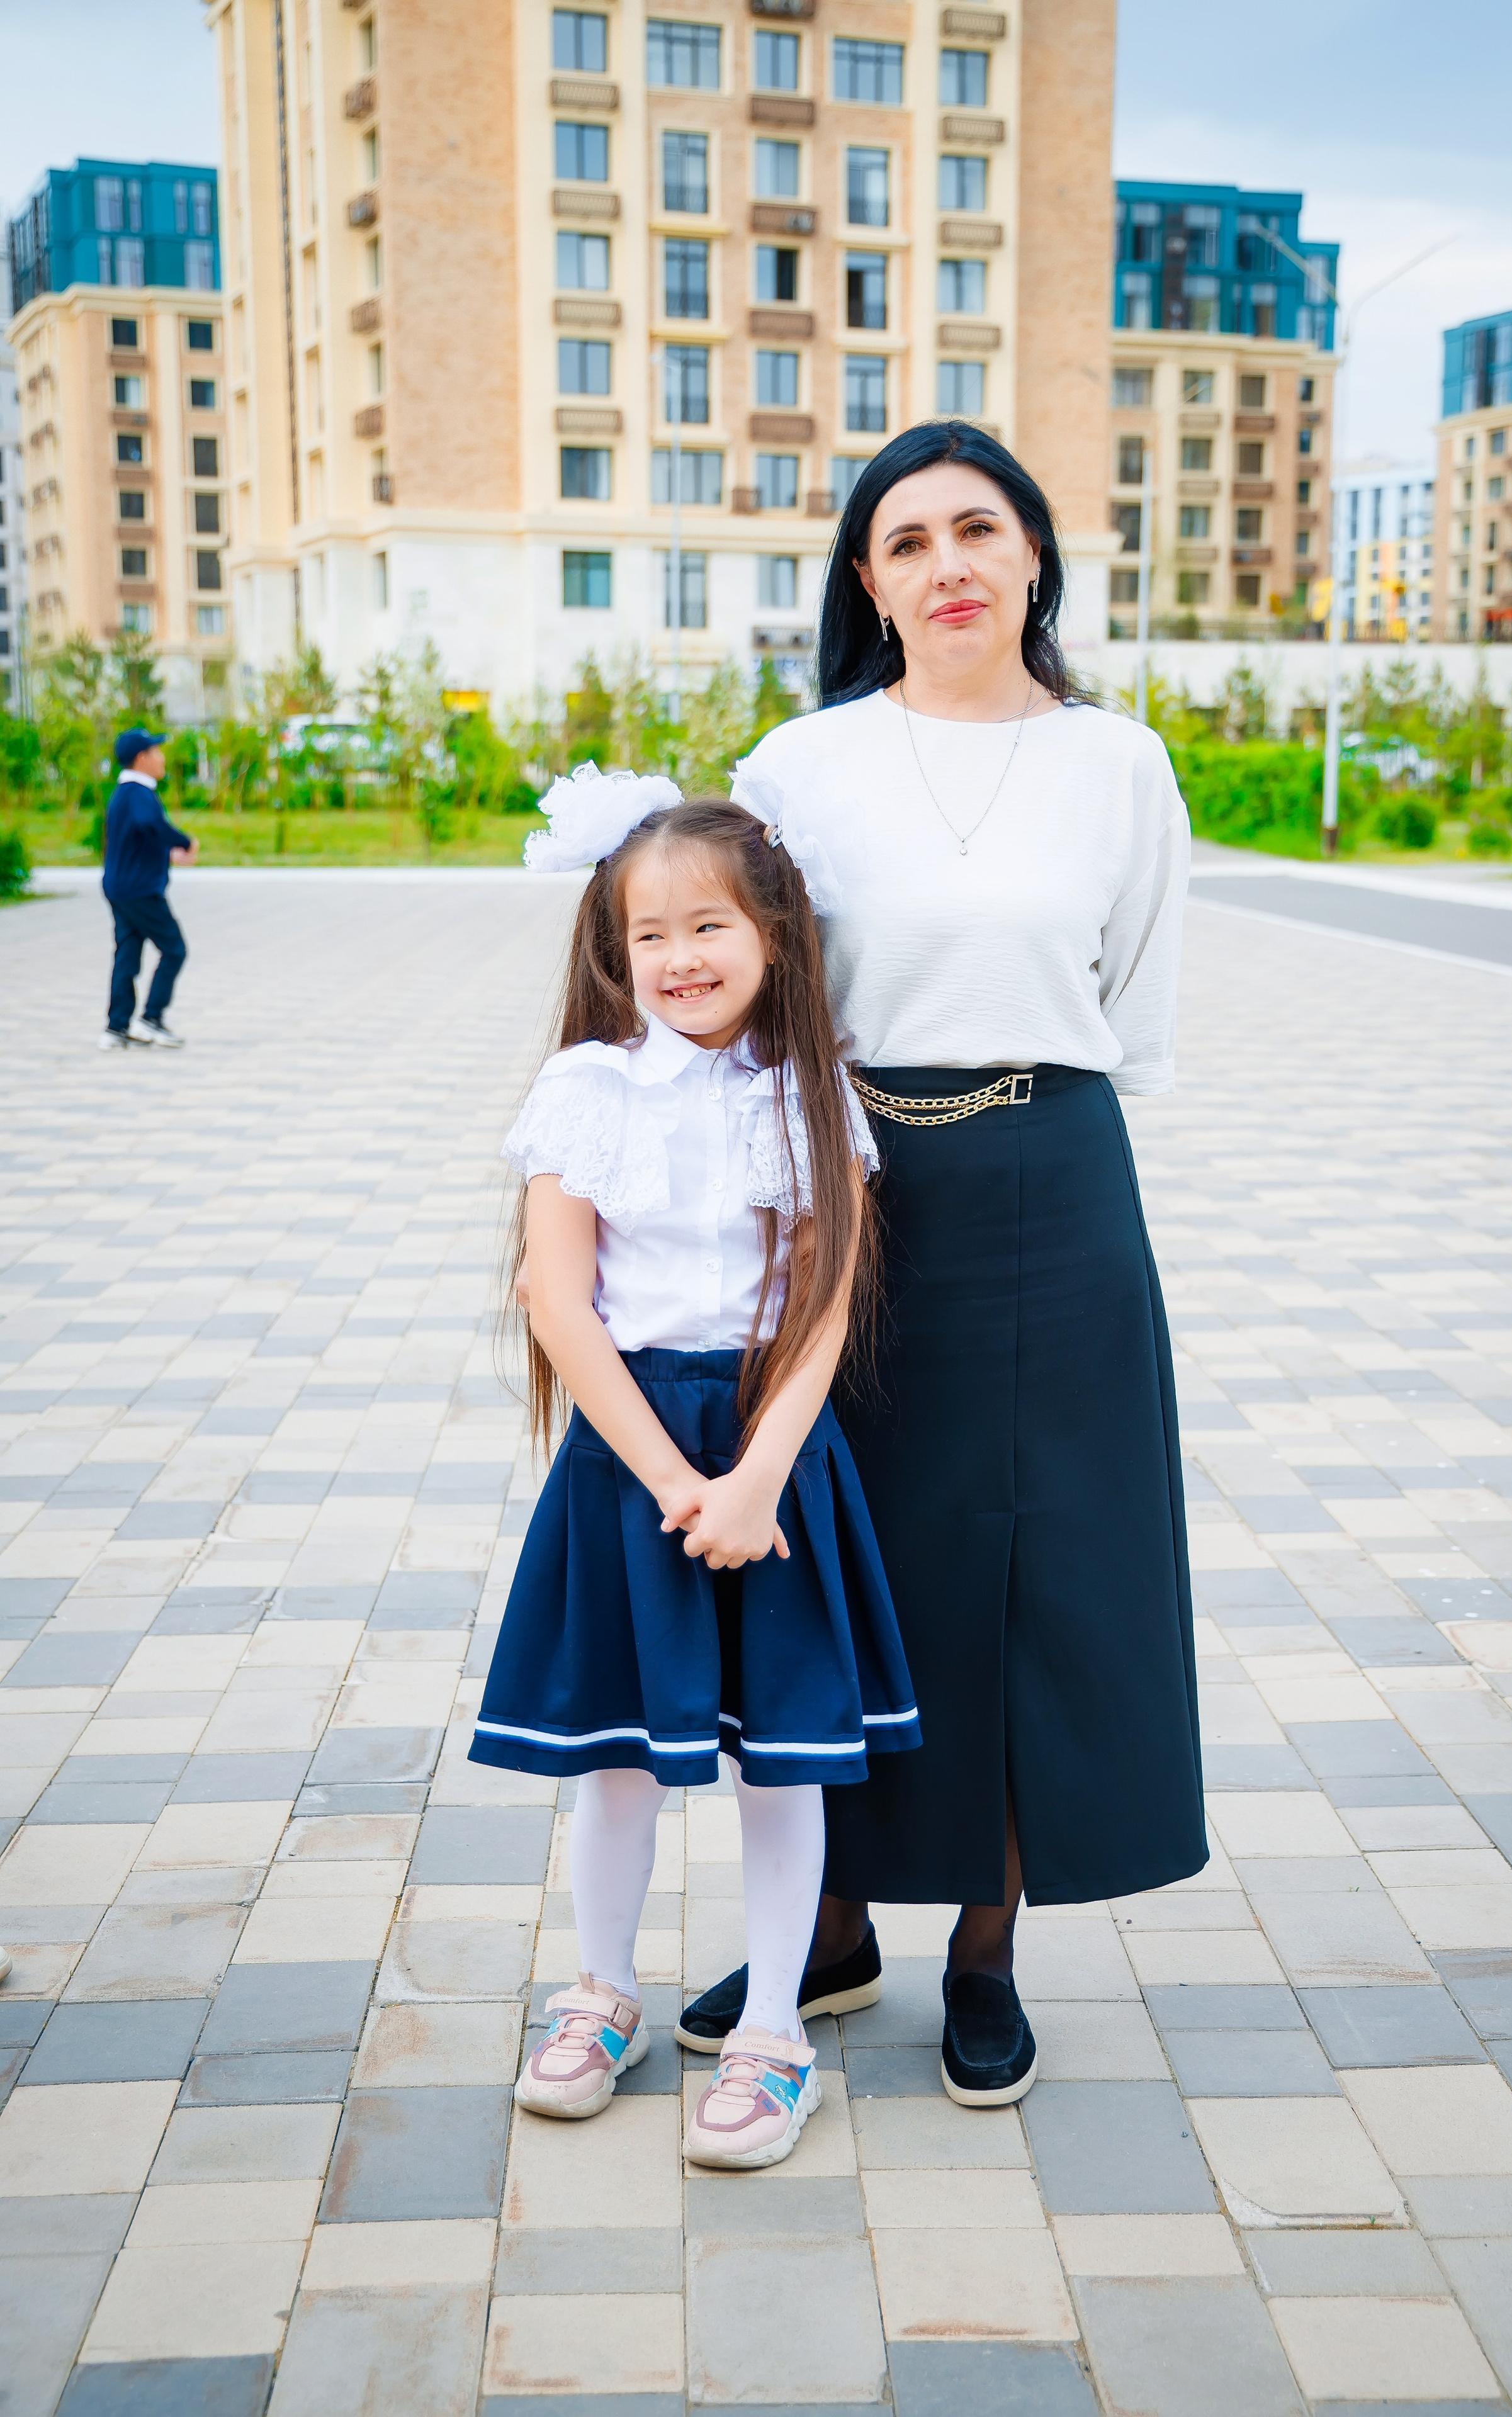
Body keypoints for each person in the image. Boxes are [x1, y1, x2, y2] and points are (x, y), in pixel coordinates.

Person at [677, 420, 1208, 2109]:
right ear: (869, 584)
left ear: (1037, 557)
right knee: (844, 1554)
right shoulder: (800, 763)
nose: (949, 564)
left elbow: (1138, 1000)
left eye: (980, 529)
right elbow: (736, 988)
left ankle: (987, 1942)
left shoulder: (1120, 765)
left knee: (1033, 1571)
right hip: (848, 1183)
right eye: (909, 543)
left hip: (1055, 1183)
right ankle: (827, 1927)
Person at [469, 767, 918, 2172]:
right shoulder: (586, 1089)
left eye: (710, 927)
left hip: (775, 1455)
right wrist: (674, 1481)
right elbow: (559, 1304)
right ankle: (601, 1993)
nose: (679, 959)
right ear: (615, 945)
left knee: (780, 1767)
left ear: (773, 935)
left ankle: (774, 2033)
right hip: (630, 1458)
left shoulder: (809, 1098)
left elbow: (824, 1300)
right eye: (649, 934)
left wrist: (753, 1480)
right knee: (613, 1766)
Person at [99, 726, 196, 1052]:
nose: (161, 758)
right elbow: (149, 826)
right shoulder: (139, 794)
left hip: (120, 887)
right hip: (140, 890)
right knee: (175, 949)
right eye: (156, 752)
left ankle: (116, 1028)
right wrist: (184, 842)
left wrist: (168, 852)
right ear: (142, 759)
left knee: (127, 954)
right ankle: (150, 1019)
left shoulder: (124, 793)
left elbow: (138, 839)